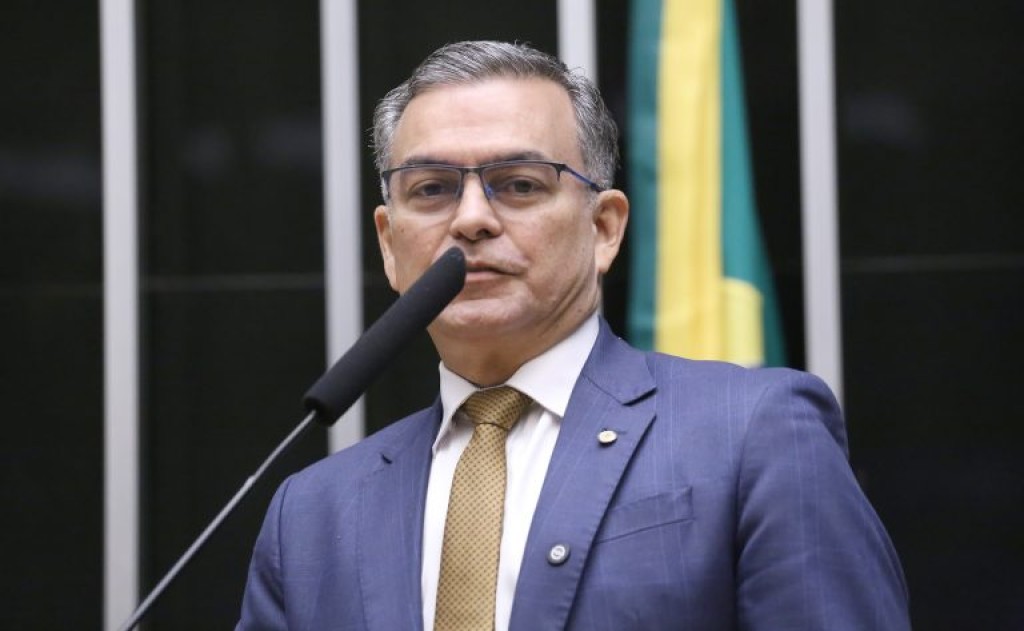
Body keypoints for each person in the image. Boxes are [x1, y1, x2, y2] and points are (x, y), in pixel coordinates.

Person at [238, 40, 910, 630]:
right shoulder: (312, 513)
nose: (471, 219)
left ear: (604, 228)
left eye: (518, 184)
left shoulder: (756, 433)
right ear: (389, 245)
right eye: (433, 189)